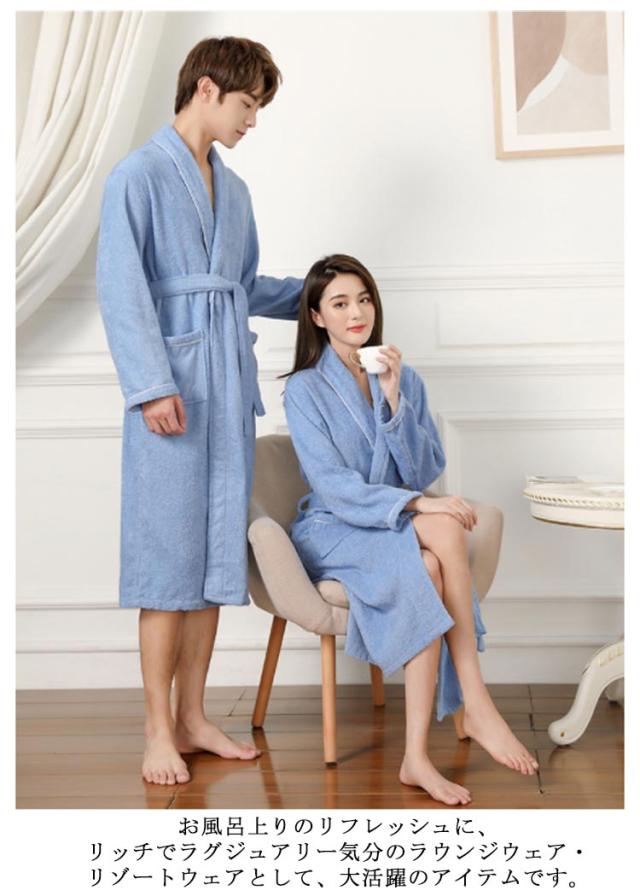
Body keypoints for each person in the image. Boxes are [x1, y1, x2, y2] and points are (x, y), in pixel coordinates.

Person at [96, 37, 304, 786]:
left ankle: (193, 716)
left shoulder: (235, 191)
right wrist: (151, 385)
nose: (253, 120)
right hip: (173, 391)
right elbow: (121, 286)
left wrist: (320, 292)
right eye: (247, 104)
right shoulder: (138, 175)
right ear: (208, 89)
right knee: (166, 563)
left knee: (216, 562)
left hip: (227, 390)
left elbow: (242, 286)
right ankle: (157, 728)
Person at [282, 254, 539, 805]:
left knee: (428, 562)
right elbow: (332, 486)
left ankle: (417, 756)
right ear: (317, 317)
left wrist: (395, 397)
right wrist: (419, 504)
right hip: (333, 528)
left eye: (364, 299)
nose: (356, 313)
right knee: (440, 528)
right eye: (340, 303)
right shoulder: (304, 389)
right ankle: (475, 700)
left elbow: (423, 469)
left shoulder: (403, 376)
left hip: (391, 524)